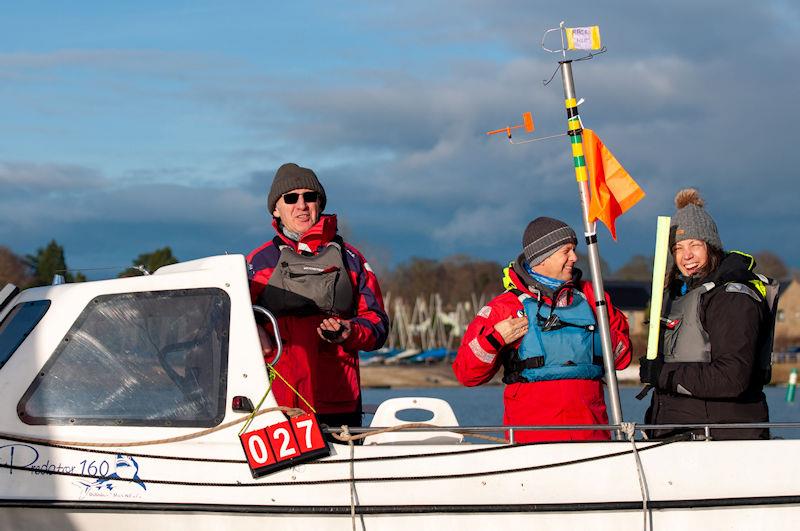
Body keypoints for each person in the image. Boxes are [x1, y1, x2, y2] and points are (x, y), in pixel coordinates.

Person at [452, 217, 632, 442]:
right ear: (542, 257)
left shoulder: (594, 298)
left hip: (593, 438)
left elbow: (624, 358)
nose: (575, 257)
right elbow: (466, 374)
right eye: (566, 251)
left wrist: (599, 336)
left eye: (574, 250)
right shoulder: (505, 307)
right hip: (531, 443)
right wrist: (495, 338)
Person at [247, 162, 389, 428]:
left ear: (319, 204)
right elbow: (225, 326)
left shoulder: (352, 259)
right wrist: (252, 327)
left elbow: (379, 324)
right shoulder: (258, 263)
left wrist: (349, 330)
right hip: (277, 405)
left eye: (309, 197)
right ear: (276, 209)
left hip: (338, 402)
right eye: (291, 198)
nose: (301, 205)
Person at [639, 188, 773, 440]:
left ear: (711, 247)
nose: (686, 255)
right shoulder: (677, 296)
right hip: (680, 435)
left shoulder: (732, 298)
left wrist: (662, 374)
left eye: (694, 245)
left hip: (719, 440)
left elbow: (732, 377)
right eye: (678, 248)